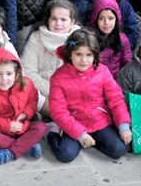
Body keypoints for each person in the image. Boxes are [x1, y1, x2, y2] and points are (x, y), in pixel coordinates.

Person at [47, 29, 132, 162]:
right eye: (78, 54)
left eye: (89, 55)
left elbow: (116, 99)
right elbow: (58, 111)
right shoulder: (58, 77)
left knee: (119, 150)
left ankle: (91, 141)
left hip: (99, 121)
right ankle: (52, 133)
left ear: (95, 55)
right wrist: (80, 135)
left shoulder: (102, 71)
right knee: (65, 155)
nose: (84, 60)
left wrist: (123, 126)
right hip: (74, 123)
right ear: (70, 55)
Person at [0, 48, 48, 166]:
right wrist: (8, 126)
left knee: (41, 127)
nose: (4, 78)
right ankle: (25, 147)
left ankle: (9, 153)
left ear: (16, 74)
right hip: (0, 130)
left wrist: (24, 114)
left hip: (22, 125)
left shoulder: (26, 84)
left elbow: (33, 100)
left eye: (9, 74)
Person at [22, 0, 80, 112]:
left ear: (72, 22)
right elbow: (28, 72)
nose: (58, 24)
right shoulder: (36, 37)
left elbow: (83, 74)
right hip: (42, 93)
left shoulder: (80, 39)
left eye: (63, 19)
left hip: (71, 94)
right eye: (54, 19)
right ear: (47, 20)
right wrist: (53, 92)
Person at [91, 0, 132, 77]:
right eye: (101, 18)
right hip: (96, 82)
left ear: (116, 20)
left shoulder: (122, 39)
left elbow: (126, 63)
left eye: (110, 18)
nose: (106, 23)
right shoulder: (90, 38)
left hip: (116, 82)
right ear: (95, 20)